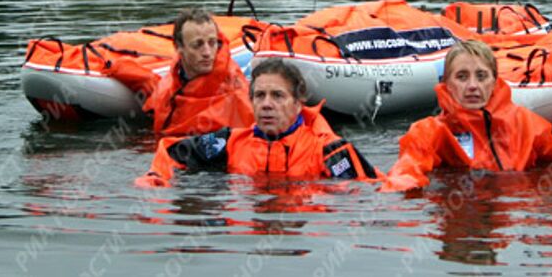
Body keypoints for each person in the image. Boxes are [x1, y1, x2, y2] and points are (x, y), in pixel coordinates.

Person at [382, 40, 552, 192]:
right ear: (447, 85)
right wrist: (398, 189)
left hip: (513, 213)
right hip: (461, 210)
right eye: (462, 77)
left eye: (481, 76)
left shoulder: (525, 123)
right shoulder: (429, 131)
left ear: (494, 81)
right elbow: (409, 167)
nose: (473, 86)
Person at [135, 58, 382, 187]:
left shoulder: (331, 152)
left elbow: (367, 196)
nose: (266, 104)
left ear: (298, 104)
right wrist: (155, 178)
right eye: (260, 96)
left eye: (277, 96)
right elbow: (169, 150)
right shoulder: (229, 142)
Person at [142, 8, 254, 136]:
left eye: (212, 43)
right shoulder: (167, 87)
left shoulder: (236, 93)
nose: (207, 53)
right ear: (179, 47)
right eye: (197, 45)